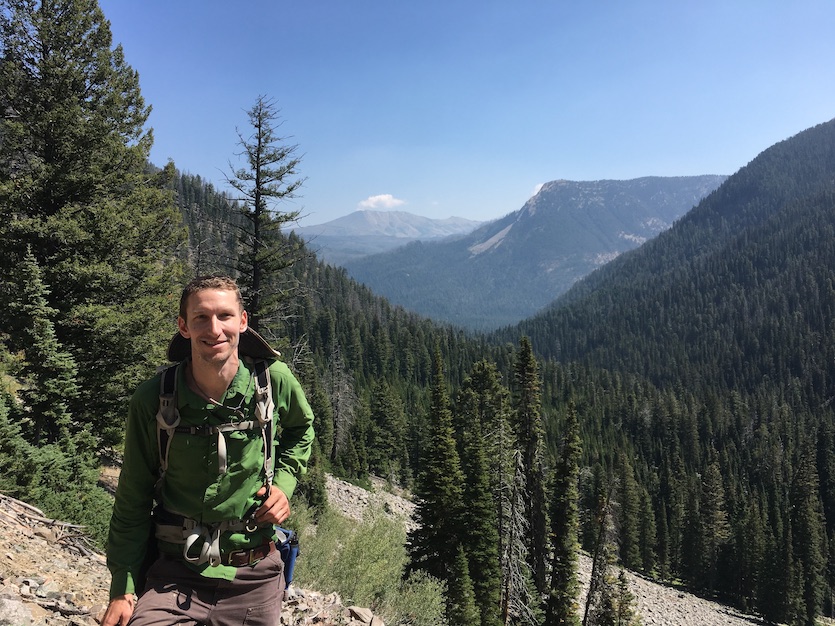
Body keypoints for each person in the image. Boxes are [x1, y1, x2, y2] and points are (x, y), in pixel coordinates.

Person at [102, 275, 315, 626]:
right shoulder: (153, 399)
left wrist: (284, 484)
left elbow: (301, 429)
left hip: (255, 573)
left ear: (243, 322)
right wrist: (123, 589)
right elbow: (132, 499)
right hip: (174, 573)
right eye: (201, 317)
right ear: (183, 326)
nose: (214, 329)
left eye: (225, 316)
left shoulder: (273, 381)